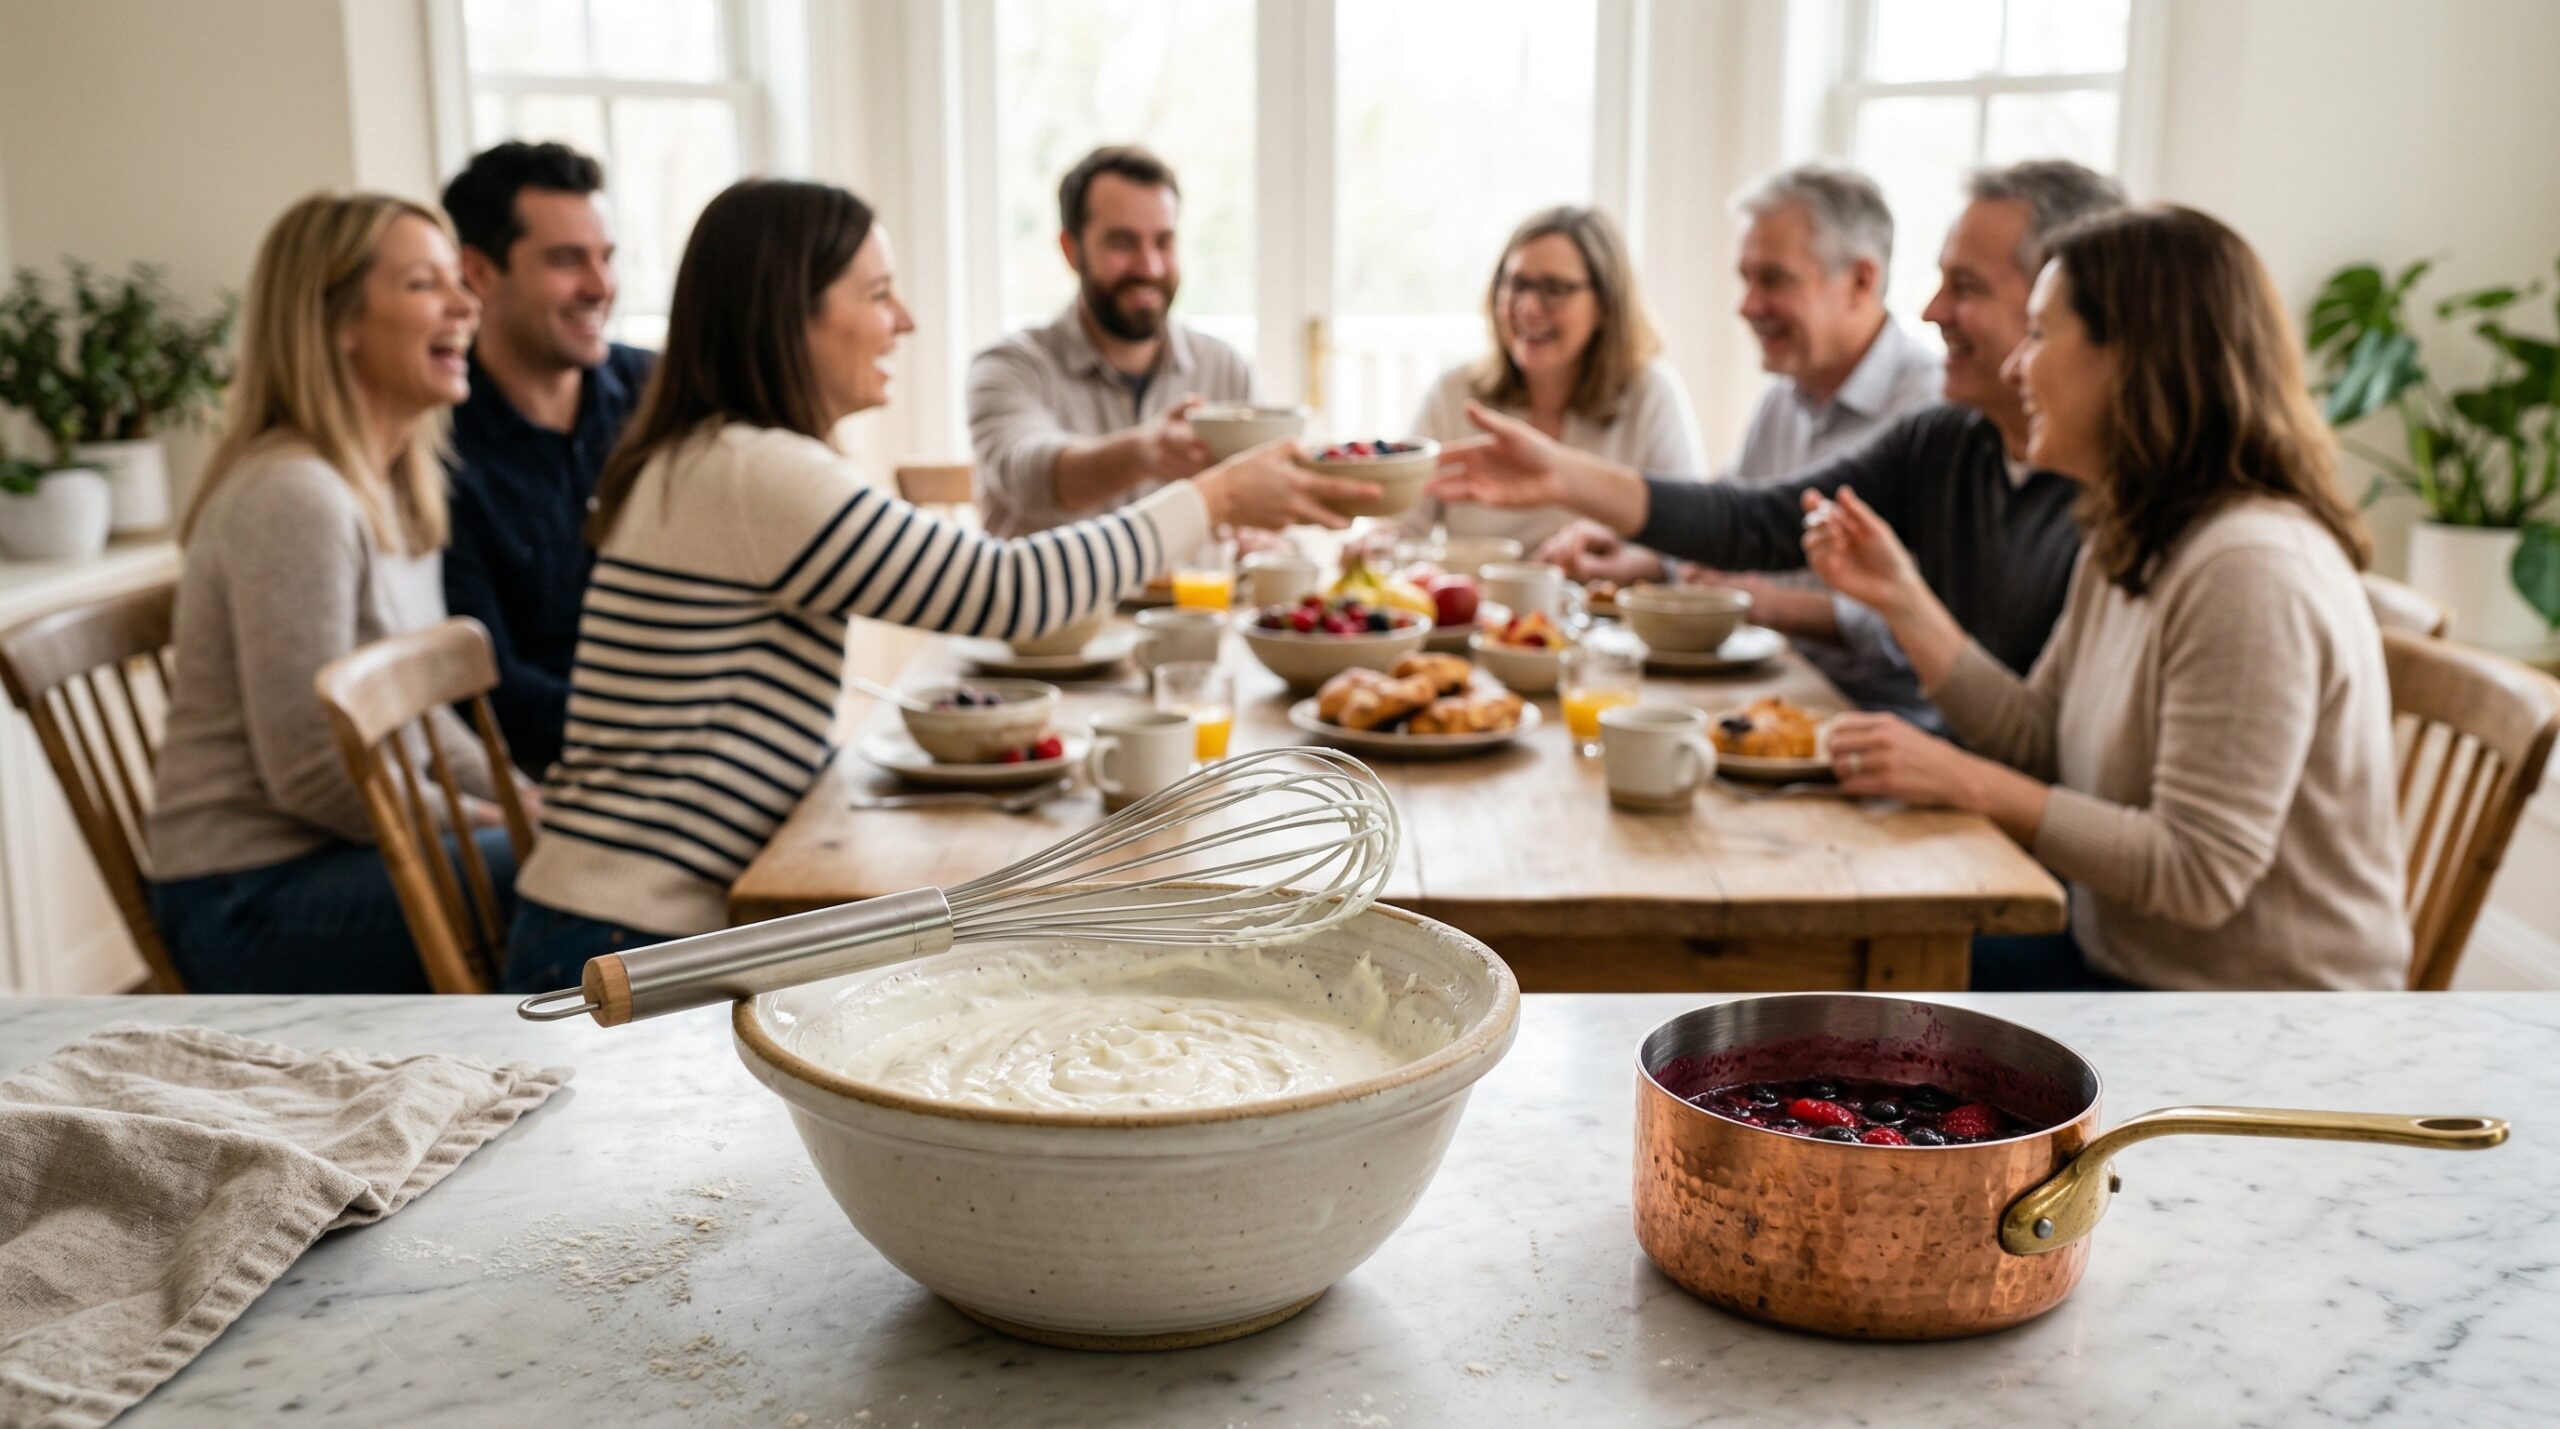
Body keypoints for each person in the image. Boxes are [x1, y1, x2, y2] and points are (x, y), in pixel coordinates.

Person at [504, 179, 1373, 992]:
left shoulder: (715, 455)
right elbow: (1010, 590)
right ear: (790, 316)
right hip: (630, 946)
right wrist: (1213, 495)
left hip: (633, 920)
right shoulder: (752, 471)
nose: (904, 320)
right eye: (878, 294)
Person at [1805, 205, 2407, 992]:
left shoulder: (2249, 569)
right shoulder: (2135, 530)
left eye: (2042, 335)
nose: (2018, 366)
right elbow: (2037, 737)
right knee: (1840, 967)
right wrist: (1901, 597)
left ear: (2134, 360)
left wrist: (1963, 778)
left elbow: (2199, 869)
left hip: (2251, 1017)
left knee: (1849, 988)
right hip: (2123, 965)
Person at [1432, 160, 2126, 692]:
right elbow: (1749, 520)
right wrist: (1579, 490)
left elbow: (2021, 727)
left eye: (1966, 287)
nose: (1930, 310)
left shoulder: (2091, 488)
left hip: (1888, 726)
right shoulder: (1945, 435)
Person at [148, 194, 517, 993]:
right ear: (336, 320)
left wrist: (527, 800)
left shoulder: (364, 487)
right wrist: (511, 826)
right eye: (426, 285)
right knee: (566, 879)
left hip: (317, 866)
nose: (466, 305)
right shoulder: (295, 496)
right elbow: (314, 773)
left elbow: (415, 719)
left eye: (460, 281)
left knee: (581, 858)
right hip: (247, 895)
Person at [1537, 166, 1939, 718]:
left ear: (1861, 281)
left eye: (1773, 280)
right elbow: (1727, 530)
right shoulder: (1784, 399)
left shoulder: (1931, 411)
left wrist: (1765, 603)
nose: (1746, 305)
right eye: (1744, 278)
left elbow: (1931, 619)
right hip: (1773, 695)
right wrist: (1642, 560)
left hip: (1882, 720)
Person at [440, 141, 654, 777]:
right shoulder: (440, 449)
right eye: (566, 261)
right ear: (477, 272)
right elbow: (491, 691)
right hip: (552, 779)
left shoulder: (659, 397)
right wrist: (661, 732)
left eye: (606, 258)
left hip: (695, 748)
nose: (600, 286)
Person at [968, 145, 1251, 538]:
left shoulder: (1225, 368)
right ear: (1071, 250)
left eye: (1163, 242)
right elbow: (1028, 474)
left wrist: (1268, 540)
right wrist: (1144, 451)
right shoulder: (1009, 367)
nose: (1149, 266)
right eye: (1122, 243)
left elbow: (1272, 523)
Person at [1391, 206, 1701, 553]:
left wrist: (1623, 560)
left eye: (1555, 289)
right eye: (1517, 284)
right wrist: (1375, 541)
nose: (1528, 307)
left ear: (1606, 304)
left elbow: (1685, 545)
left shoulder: (1651, 393)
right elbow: (1401, 525)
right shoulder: (1453, 393)